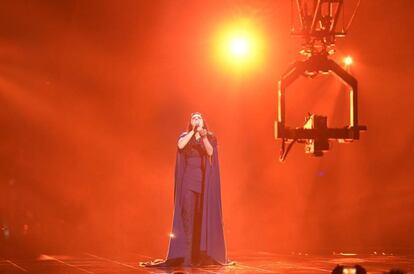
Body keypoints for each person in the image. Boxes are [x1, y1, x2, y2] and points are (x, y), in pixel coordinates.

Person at [141, 112, 230, 267]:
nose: (196, 119)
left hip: (203, 184)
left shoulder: (209, 136)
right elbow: (180, 145)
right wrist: (193, 132)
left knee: (199, 220)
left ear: (203, 121)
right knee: (188, 219)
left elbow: (210, 152)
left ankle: (198, 256)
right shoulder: (185, 135)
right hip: (188, 183)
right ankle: (187, 258)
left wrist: (203, 136)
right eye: (193, 118)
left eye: (199, 117)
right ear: (191, 122)